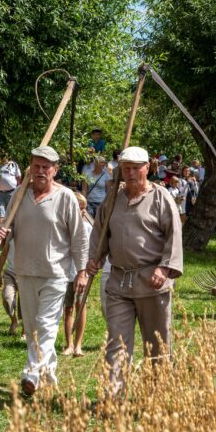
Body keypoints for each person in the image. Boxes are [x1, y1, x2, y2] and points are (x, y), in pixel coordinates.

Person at [83, 146, 183, 396]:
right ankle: (113, 396)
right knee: (116, 343)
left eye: (135, 168)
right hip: (119, 283)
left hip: (152, 283)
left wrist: (164, 268)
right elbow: (100, 232)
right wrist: (94, 258)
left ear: (147, 168)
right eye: (125, 168)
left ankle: (156, 396)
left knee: (157, 345)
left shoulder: (161, 197)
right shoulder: (113, 199)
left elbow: (174, 237)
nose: (130, 173)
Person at [0, 146, 88, 396]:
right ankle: (48, 377)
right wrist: (4, 232)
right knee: (34, 326)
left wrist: (81, 270)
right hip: (25, 270)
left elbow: (79, 238)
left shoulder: (65, 197)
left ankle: (31, 373)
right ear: (30, 168)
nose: (40, 171)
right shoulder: (19, 194)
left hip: (56, 272)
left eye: (46, 167)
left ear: (55, 170)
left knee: (46, 325)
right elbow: (10, 226)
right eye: (36, 166)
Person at [62, 192, 92, 357]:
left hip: (82, 273)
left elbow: (91, 250)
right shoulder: (63, 226)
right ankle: (69, 344)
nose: (82, 212)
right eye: (79, 208)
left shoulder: (87, 227)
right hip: (66, 272)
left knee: (81, 307)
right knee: (68, 308)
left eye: (84, 209)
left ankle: (79, 344)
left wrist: (86, 271)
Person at [0, 238, 22, 336]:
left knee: (25, 305)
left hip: (26, 274)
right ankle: (14, 321)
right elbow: (3, 254)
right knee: (7, 298)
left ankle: (25, 332)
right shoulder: (11, 235)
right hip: (10, 273)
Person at [0, 156, 21, 226]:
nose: (3, 158)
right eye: (2, 156)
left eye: (5, 156)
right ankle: (1, 234)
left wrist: (18, 190)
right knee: (0, 214)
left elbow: (19, 177)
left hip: (12, 192)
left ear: (8, 157)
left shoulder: (14, 164)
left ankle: (12, 233)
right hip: (0, 193)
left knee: (12, 213)